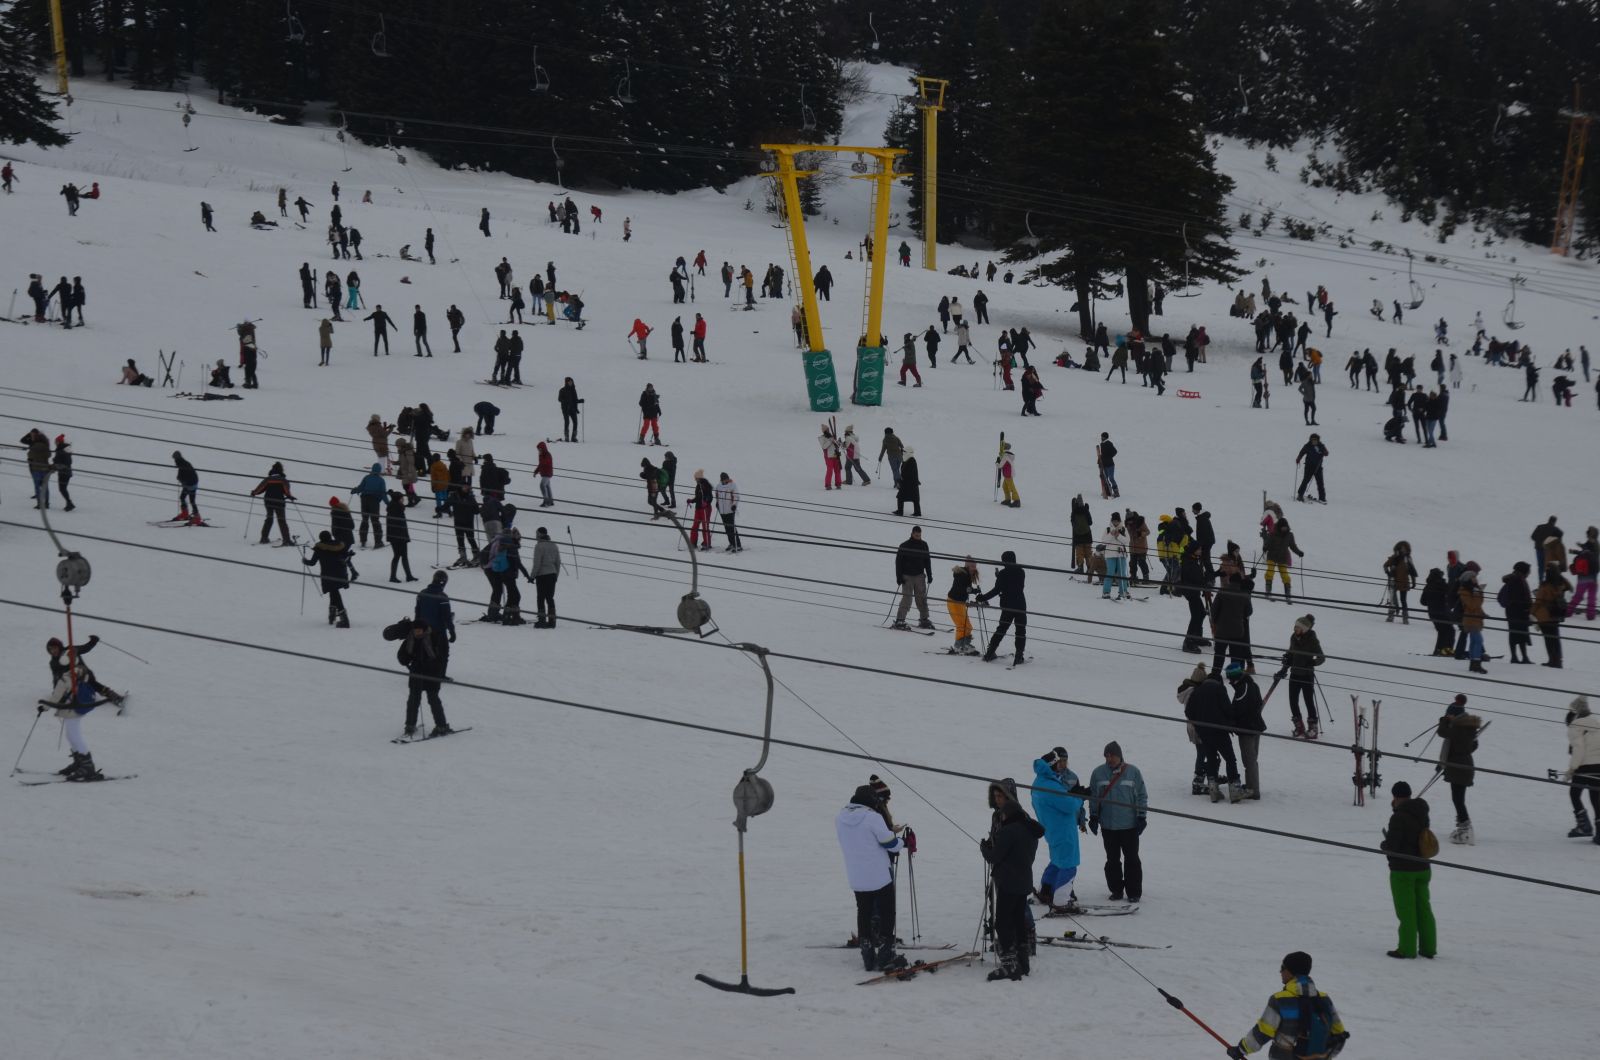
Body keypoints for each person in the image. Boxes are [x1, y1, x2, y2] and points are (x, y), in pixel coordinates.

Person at [835, 782, 906, 973]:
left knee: (863, 912)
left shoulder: (840, 817)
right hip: (879, 876)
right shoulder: (872, 817)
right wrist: (901, 841)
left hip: (857, 877)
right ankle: (885, 954)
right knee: (887, 912)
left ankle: (867, 956)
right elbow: (889, 843)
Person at [1226, 951, 1348, 1059]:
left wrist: (1240, 1050)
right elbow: (1340, 1035)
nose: (1280, 971)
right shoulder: (1324, 999)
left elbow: (1263, 1032)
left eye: (1282, 967)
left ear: (1291, 972)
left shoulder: (1280, 1000)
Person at [981, 779, 1045, 982]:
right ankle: (1022, 961)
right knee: (1017, 919)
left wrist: (986, 850)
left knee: (1005, 920)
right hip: (1021, 878)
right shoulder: (1020, 823)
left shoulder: (1013, 824)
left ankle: (1010, 963)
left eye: (1001, 796)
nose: (998, 800)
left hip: (1009, 878)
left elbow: (997, 854)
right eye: (996, 796)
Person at [1380, 781, 1436, 959]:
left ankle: (1407, 949)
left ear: (1395, 797)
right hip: (1423, 868)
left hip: (1403, 870)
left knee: (1406, 912)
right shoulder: (1422, 811)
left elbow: (1393, 846)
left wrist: (1384, 844)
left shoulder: (1398, 817)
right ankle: (1428, 948)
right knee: (1424, 910)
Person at [1087, 742, 1147, 903]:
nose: (1109, 758)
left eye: (1112, 755)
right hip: (1108, 827)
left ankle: (1134, 892)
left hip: (1129, 826)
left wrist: (1142, 816)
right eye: (1106, 756)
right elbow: (1094, 798)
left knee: (1132, 859)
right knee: (1112, 860)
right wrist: (1093, 817)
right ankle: (1116, 890)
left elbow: (1141, 795)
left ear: (1119, 755)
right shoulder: (1098, 773)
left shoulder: (1133, 772)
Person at [1030, 748, 1086, 910]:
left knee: (1057, 861)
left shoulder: (1039, 782)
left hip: (1051, 829)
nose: (1060, 766)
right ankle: (1062, 900)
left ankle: (1046, 890)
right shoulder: (1050, 785)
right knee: (1069, 863)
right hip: (1063, 829)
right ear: (1052, 765)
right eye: (1057, 763)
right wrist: (1079, 798)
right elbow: (1069, 806)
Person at [1435, 695, 1481, 845]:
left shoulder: (1458, 729)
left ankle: (1465, 828)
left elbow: (1442, 732)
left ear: (1453, 715)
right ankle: (1463, 825)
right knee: (1458, 799)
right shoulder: (1467, 728)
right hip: (1463, 766)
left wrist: (1444, 721)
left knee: (1458, 799)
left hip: (1459, 769)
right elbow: (1473, 746)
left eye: (1449, 714)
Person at [398, 620, 454, 738]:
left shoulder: (434, 638)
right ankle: (410, 725)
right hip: (416, 673)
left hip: (432, 674)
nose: (417, 632)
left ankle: (441, 726)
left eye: (419, 630)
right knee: (413, 700)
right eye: (415, 630)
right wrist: (406, 659)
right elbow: (402, 655)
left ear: (424, 629)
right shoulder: (410, 639)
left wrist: (429, 665)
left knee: (433, 699)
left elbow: (440, 658)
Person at [1279, 614, 1326, 739]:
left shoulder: (1312, 640)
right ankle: (1299, 726)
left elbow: (1321, 657)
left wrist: (1313, 662)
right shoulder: (1293, 638)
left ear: (1304, 630)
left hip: (1306, 675)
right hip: (1294, 674)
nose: (1295, 629)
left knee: (1308, 701)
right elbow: (1291, 653)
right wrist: (1286, 663)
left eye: (1298, 628)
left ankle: (1313, 728)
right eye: (1295, 627)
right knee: (1293, 701)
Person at [978, 550, 1026, 663]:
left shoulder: (1003, 574)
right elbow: (1016, 585)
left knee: (1001, 629)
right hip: (1020, 605)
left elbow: (997, 590)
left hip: (1007, 606)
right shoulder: (1021, 572)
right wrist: (1000, 577)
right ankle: (1019, 656)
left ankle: (990, 653)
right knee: (1020, 631)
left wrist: (983, 598)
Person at [1565, 696, 1600, 841]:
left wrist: (1572, 769)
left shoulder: (1576, 726)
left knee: (1574, 793)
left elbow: (1579, 748)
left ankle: (1584, 826)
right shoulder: (1596, 723)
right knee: (1596, 796)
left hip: (1584, 766)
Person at [302, 532, 352, 627]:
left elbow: (312, 563)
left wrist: (304, 561)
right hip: (341, 573)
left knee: (335, 593)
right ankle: (332, 614)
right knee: (334, 592)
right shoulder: (339, 545)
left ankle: (344, 619)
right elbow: (347, 557)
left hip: (328, 574)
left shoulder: (320, 548)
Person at [892, 527, 934, 630]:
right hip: (907, 576)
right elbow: (898, 563)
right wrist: (899, 577)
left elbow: (927, 561)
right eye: (916, 535)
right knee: (907, 598)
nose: (918, 537)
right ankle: (900, 620)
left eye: (919, 535)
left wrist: (929, 574)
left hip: (920, 575)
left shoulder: (924, 545)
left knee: (921, 598)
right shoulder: (904, 545)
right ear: (912, 534)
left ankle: (924, 619)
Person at [1533, 562, 1572, 668]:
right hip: (1556, 615)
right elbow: (1570, 587)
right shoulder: (1560, 584)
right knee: (1555, 638)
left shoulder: (1545, 586)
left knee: (1548, 639)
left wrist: (1532, 612)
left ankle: (1552, 660)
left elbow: (1538, 602)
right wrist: (1559, 574)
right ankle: (1558, 661)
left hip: (1545, 616)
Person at [250, 462, 297, 545]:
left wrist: (254, 493)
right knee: (281, 520)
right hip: (279, 501)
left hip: (268, 501)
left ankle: (264, 538)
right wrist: (290, 497)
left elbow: (260, 488)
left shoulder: (268, 479)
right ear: (281, 470)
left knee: (269, 519)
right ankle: (286, 540)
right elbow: (286, 491)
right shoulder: (283, 480)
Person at [1261, 515, 1304, 601]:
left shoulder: (1289, 535)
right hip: (1272, 556)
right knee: (1270, 572)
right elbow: (1268, 543)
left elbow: (1292, 546)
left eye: (1286, 527)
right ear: (1279, 527)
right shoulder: (1273, 534)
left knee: (1285, 575)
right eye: (1283, 527)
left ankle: (1287, 594)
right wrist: (1265, 547)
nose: (1284, 529)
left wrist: (1298, 552)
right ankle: (1268, 592)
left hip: (1283, 557)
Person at [528, 526, 561, 627]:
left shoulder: (539, 546)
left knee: (541, 598)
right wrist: (556, 575)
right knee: (550, 598)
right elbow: (558, 562)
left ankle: (542, 620)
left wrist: (532, 577)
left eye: (537, 534)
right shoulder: (554, 545)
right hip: (552, 575)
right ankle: (552, 621)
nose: (535, 536)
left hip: (542, 575)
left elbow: (537, 564)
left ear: (540, 534)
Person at [1457, 568, 1488, 673]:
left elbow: (1478, 606)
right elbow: (1472, 605)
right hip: (1470, 620)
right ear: (1468, 579)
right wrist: (1478, 593)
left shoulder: (1473, 589)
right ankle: (1476, 663)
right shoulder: (1464, 591)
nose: (1475, 579)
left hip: (1475, 619)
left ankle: (1473, 663)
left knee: (1474, 641)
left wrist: (1483, 614)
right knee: (1478, 641)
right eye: (1473, 577)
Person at [384, 492, 415, 582]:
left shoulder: (392, 508)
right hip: (400, 536)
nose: (403, 499)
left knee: (397, 556)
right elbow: (400, 525)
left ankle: (399, 576)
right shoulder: (398, 509)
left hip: (394, 536)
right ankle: (406, 576)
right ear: (398, 499)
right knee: (402, 556)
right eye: (402, 498)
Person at [1295, 434, 1328, 503]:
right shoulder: (1307, 446)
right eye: (1313, 440)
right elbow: (1302, 452)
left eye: (1315, 440)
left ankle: (1322, 498)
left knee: (1320, 483)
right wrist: (1298, 459)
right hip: (1309, 467)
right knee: (1305, 481)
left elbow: (1326, 453)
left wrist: (1324, 452)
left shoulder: (1321, 446)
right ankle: (1300, 495)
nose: (1314, 441)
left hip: (1318, 468)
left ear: (1318, 440)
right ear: (1311, 440)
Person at [172, 451, 201, 523]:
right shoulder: (181, 463)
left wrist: (183, 481)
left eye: (174, 459)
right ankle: (185, 514)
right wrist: (180, 479)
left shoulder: (183, 464)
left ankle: (197, 517)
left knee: (192, 500)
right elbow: (181, 473)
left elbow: (188, 475)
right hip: (189, 484)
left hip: (191, 484)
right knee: (182, 497)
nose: (174, 461)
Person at [894, 447, 921, 518]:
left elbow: (909, 474)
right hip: (911, 484)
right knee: (915, 499)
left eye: (904, 452)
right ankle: (917, 512)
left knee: (900, 497)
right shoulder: (908, 460)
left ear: (908, 453)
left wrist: (901, 481)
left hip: (909, 484)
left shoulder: (911, 461)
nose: (903, 453)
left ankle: (900, 511)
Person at [819, 423, 842, 490]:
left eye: (828, 429)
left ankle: (838, 484)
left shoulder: (831, 436)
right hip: (828, 456)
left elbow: (837, 445)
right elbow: (824, 446)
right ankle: (828, 485)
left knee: (837, 470)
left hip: (835, 455)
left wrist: (839, 442)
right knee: (830, 470)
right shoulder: (822, 438)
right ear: (824, 430)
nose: (828, 430)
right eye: (827, 429)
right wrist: (830, 440)